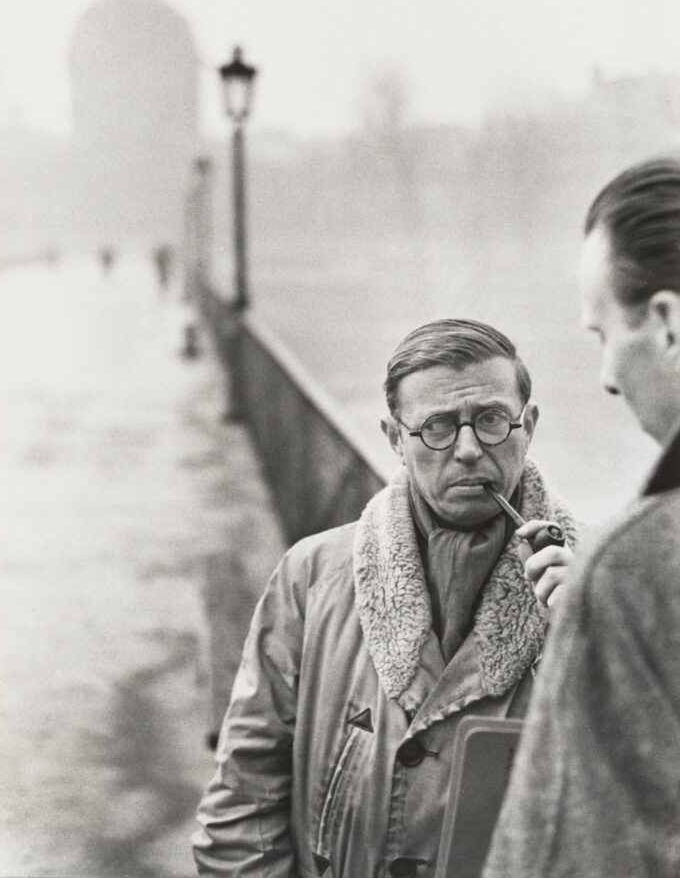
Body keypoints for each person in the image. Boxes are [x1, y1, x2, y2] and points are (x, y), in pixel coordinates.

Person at [193, 318, 576, 877]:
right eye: (437, 427)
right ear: (395, 438)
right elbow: (243, 801)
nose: (469, 449)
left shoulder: (601, 587)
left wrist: (600, 637)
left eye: (492, 420)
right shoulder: (311, 576)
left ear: (530, 425)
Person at [481, 157, 680, 878]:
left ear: (667, 323)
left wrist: (608, 602)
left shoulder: (638, 563)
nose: (606, 379)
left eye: (603, 336)